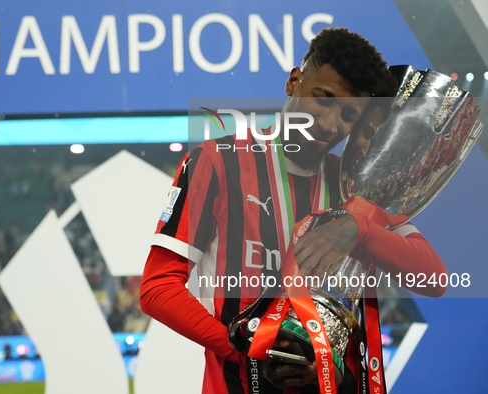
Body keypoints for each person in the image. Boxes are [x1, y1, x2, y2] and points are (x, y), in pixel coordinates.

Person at [140, 27, 447, 394]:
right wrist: (248, 352)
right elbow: (158, 288)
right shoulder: (216, 163)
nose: (331, 124)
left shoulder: (354, 188)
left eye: (349, 114)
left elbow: (435, 279)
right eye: (324, 98)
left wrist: (359, 231)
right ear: (294, 82)